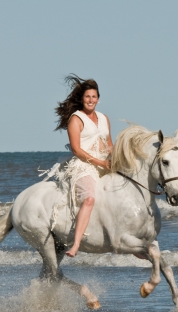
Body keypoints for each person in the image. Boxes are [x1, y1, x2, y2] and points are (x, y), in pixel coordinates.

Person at [55, 74, 113, 257]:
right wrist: (100, 163)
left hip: (105, 163)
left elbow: (110, 144)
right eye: (87, 97)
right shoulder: (76, 119)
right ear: (82, 99)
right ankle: (76, 244)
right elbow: (76, 150)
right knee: (89, 199)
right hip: (84, 166)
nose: (90, 100)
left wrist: (117, 159)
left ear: (98, 99)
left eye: (94, 97)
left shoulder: (104, 118)